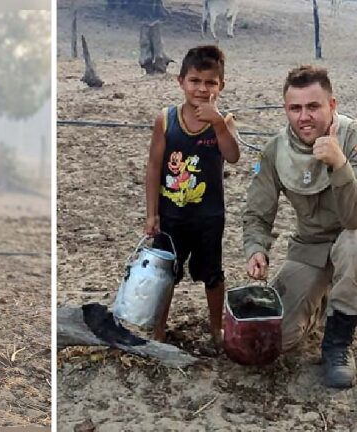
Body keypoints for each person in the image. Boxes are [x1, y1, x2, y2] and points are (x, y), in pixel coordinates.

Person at [243, 65, 357, 388]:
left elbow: (356, 218)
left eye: (313, 106)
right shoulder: (276, 150)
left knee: (352, 245)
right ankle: (324, 298)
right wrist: (257, 249)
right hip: (311, 244)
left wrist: (339, 165)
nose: (304, 117)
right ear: (285, 109)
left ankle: (338, 343)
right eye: (295, 108)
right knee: (275, 341)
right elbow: (258, 211)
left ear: (332, 106)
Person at [144, 45, 240, 346]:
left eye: (210, 82)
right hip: (171, 216)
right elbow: (154, 167)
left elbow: (233, 155)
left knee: (212, 274)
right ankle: (159, 330)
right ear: (181, 81)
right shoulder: (166, 119)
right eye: (195, 81)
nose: (202, 88)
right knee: (165, 274)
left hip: (209, 216)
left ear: (220, 86)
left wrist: (218, 122)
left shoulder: (224, 121)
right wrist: (152, 213)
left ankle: (216, 329)